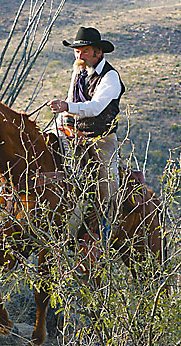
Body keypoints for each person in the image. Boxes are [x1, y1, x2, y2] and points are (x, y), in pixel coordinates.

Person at [48, 27, 125, 243]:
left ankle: (103, 232)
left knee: (105, 182)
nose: (79, 55)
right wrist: (64, 118)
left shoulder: (110, 77)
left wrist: (66, 106)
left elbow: (96, 107)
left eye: (84, 51)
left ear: (98, 52)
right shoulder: (78, 72)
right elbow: (72, 98)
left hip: (101, 138)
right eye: (76, 51)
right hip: (72, 132)